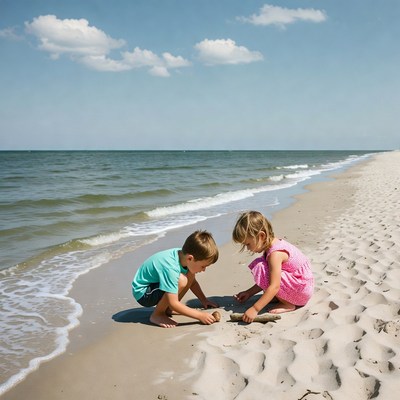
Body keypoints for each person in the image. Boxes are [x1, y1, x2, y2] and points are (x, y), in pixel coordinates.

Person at [232, 211, 314, 322]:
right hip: (303, 288)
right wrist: (249, 292)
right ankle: (282, 297)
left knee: (261, 267)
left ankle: (288, 304)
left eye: (248, 244)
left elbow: (274, 286)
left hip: (301, 292)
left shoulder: (275, 255)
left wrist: (255, 309)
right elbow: (269, 278)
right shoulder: (272, 246)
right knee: (265, 269)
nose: (248, 248)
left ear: (261, 236)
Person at [132, 230, 219, 328]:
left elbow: (192, 283)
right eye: (203, 266)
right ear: (190, 258)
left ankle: (167, 309)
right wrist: (200, 315)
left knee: (189, 275)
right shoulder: (171, 267)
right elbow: (174, 303)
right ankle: (157, 314)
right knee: (181, 280)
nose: (204, 270)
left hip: (155, 284)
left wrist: (204, 300)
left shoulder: (184, 256)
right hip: (144, 293)